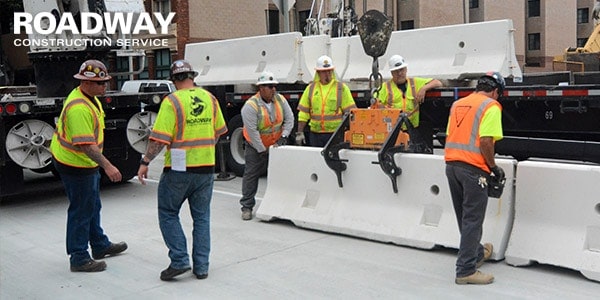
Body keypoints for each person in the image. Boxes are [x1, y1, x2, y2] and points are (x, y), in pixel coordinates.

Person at [137, 60, 227, 281]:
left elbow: (159, 139)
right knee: (202, 217)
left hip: (179, 170)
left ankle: (179, 261)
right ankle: (202, 267)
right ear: (192, 76)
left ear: (174, 80)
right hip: (206, 168)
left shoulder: (172, 101)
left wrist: (146, 161)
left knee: (168, 213)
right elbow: (219, 132)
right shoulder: (211, 99)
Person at [50, 59, 128, 273]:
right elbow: (85, 145)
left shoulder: (89, 98)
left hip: (83, 164)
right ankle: (79, 257)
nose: (105, 86)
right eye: (101, 83)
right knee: (81, 210)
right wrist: (108, 166)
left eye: (105, 82)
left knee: (92, 205)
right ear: (86, 82)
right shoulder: (79, 108)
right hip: (75, 164)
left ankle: (100, 245)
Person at [444, 71, 506, 285]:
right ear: (496, 91)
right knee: (473, 219)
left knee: (464, 217)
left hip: (452, 166)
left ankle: (477, 253)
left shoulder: (458, 104)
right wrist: (493, 167)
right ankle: (466, 270)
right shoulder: (491, 106)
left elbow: (450, 134)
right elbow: (486, 141)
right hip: (473, 170)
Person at [239, 71, 294, 220]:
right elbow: (252, 131)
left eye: (274, 86)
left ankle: (280, 206)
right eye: (270, 86)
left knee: (280, 176)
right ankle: (247, 206)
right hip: (256, 147)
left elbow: (289, 119)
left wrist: (283, 137)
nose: (274, 89)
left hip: (276, 145)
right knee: (251, 175)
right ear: (261, 88)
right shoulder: (251, 106)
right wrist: (262, 150)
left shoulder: (280, 100)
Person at [296, 55, 357, 147]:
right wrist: (300, 132)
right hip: (315, 135)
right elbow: (303, 114)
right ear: (318, 73)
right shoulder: (311, 89)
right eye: (324, 72)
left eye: (329, 71)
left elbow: (351, 113)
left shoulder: (341, 88)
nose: (327, 74)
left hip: (335, 134)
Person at [377, 55, 443, 129]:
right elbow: (376, 104)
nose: (399, 73)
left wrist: (423, 89)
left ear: (406, 69)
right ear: (392, 72)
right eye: (396, 71)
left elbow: (438, 83)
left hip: (412, 128)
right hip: (392, 129)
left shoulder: (414, 83)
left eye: (401, 70)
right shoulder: (385, 87)